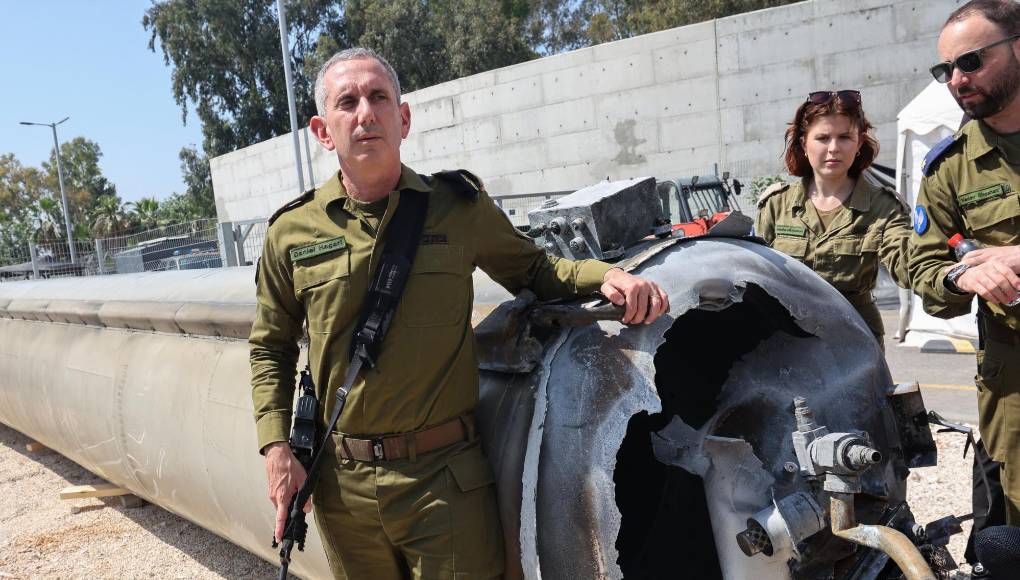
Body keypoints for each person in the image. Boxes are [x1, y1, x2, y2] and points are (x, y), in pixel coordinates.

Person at [248, 47, 669, 579]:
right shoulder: (292, 232)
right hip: (342, 488)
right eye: (347, 102)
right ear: (322, 131)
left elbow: (536, 270)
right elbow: (271, 346)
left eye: (379, 97)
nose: (365, 113)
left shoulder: (459, 207)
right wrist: (276, 446)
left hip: (443, 480)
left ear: (403, 118)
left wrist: (605, 276)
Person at [908, 0, 1020, 528]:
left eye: (971, 61)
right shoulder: (948, 170)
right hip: (1013, 382)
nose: (956, 79)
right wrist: (962, 273)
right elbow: (925, 268)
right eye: (945, 69)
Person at [755, 90, 911, 344]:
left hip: (855, 340)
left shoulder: (883, 206)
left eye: (845, 137)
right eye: (823, 138)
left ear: (859, 143)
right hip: (789, 339)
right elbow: (757, 275)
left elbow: (908, 265)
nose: (834, 148)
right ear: (804, 143)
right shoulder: (776, 204)